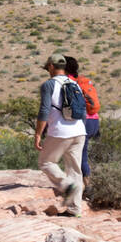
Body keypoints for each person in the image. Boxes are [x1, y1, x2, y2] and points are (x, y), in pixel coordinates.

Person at [34, 52, 87, 217]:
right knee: (74, 170)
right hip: (79, 131)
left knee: (46, 162)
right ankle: (74, 210)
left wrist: (38, 134)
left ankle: (66, 187)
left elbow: (44, 110)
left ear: (51, 66)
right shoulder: (74, 83)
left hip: (60, 131)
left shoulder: (49, 85)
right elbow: (83, 110)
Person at [65, 55, 100, 186]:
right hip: (94, 121)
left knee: (80, 156)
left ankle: (88, 187)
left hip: (83, 123)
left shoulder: (68, 82)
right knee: (80, 154)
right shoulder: (82, 81)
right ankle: (82, 184)